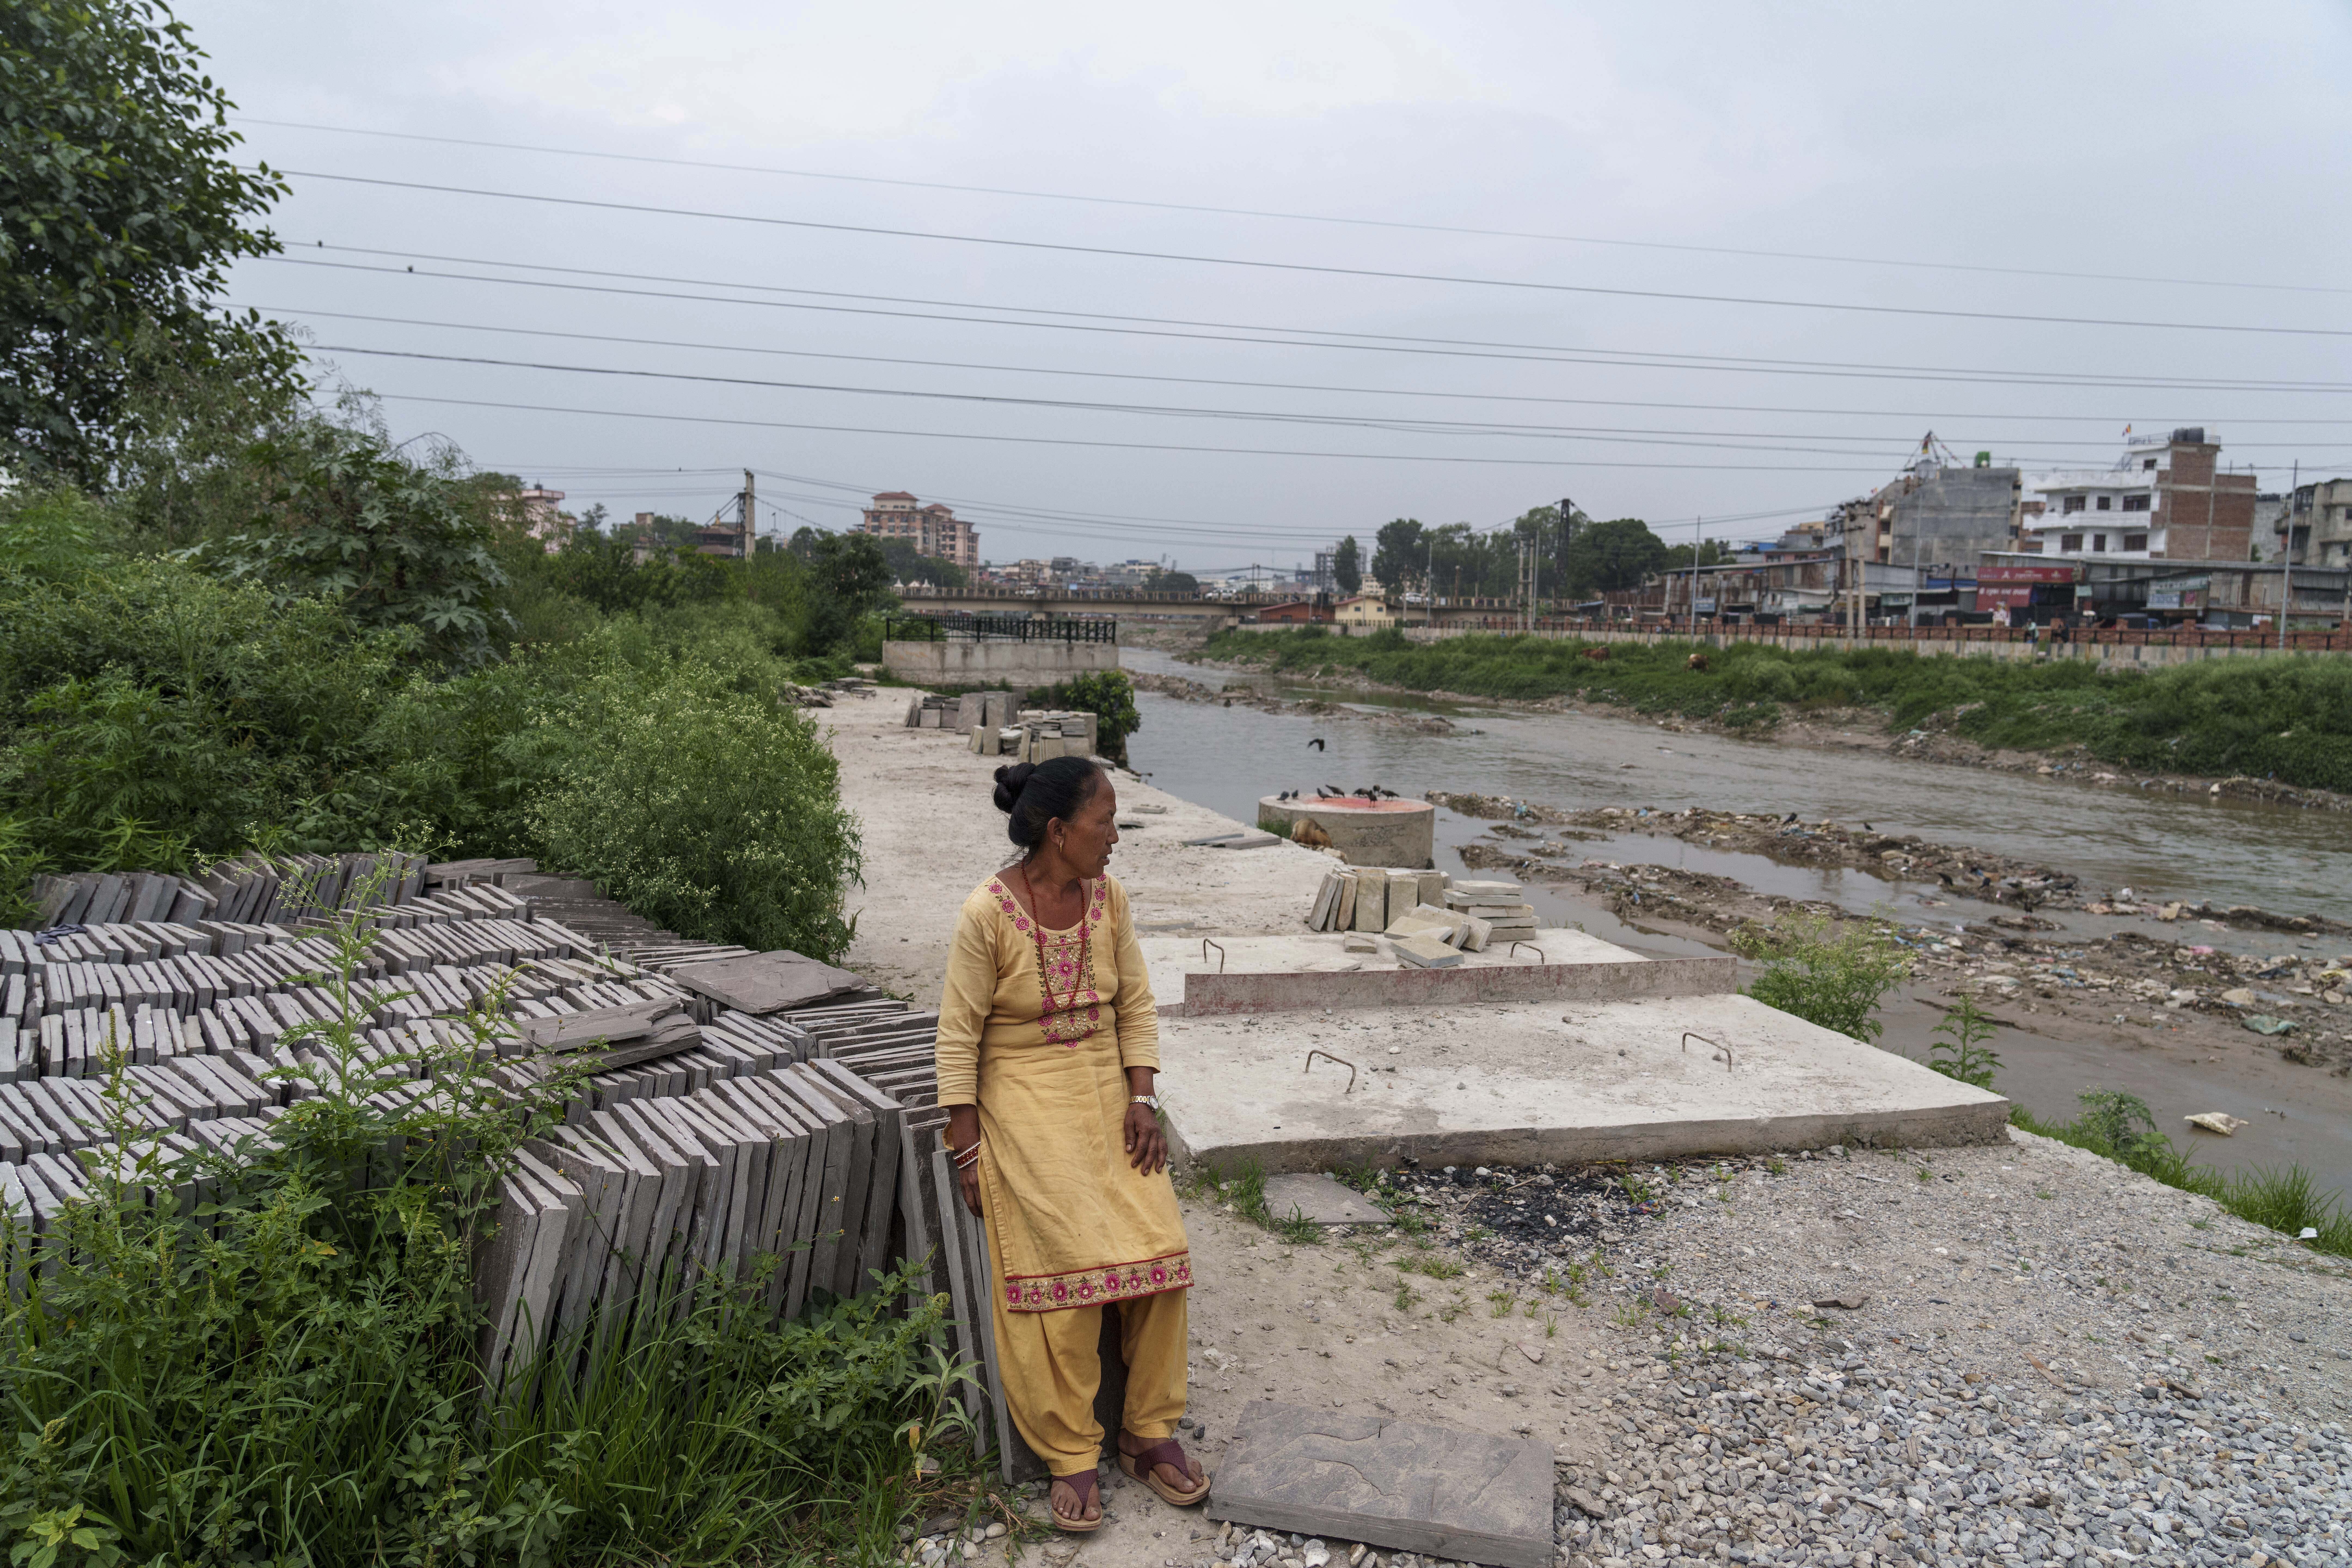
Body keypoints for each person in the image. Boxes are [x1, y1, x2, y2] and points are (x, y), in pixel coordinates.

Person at [935, 756, 1208, 1533]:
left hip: (1105, 1089)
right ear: (1059, 832)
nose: (1116, 837)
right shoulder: (985, 913)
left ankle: (1147, 1431)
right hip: (1021, 1093)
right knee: (1063, 1258)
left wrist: (1143, 1097)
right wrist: (966, 1148)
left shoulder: (1110, 899)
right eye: (1107, 822)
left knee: (1163, 1249)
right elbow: (958, 1041)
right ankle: (1070, 1450)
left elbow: (1139, 1007)